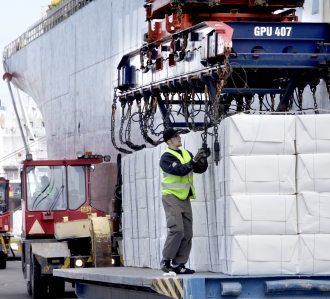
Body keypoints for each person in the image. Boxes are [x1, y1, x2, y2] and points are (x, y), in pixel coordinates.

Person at [159, 127, 210, 274]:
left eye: (179, 135)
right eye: (175, 136)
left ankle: (179, 264)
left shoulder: (187, 154)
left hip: (185, 196)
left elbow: (198, 169)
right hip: (171, 196)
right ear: (169, 141)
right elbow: (180, 170)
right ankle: (166, 260)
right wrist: (194, 161)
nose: (179, 137)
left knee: (187, 233)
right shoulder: (166, 157)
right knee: (177, 229)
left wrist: (202, 161)